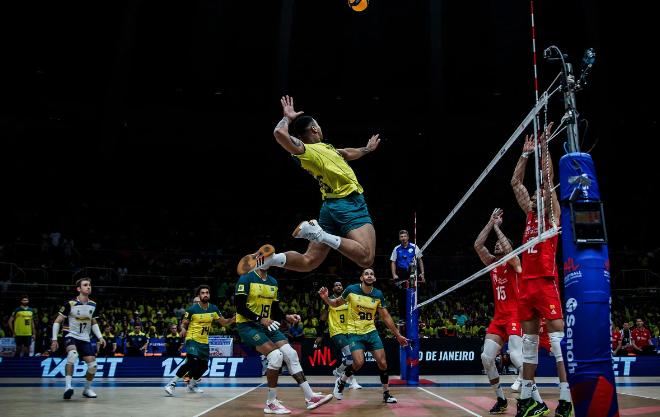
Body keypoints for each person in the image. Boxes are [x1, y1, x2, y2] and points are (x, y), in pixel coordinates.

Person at [237, 95, 380, 276]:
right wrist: (288, 118)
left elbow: (347, 153)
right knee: (366, 258)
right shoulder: (307, 151)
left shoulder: (327, 148)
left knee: (308, 262)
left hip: (330, 206)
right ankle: (319, 234)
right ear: (314, 128)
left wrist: (367, 149)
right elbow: (279, 134)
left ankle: (270, 260)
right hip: (348, 203)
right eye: (318, 125)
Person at [511, 123, 572, 417]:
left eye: (539, 195)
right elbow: (515, 183)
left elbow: (548, 181)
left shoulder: (552, 217)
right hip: (526, 286)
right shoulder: (530, 217)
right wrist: (525, 154)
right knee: (529, 345)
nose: (534, 197)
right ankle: (526, 400)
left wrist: (545, 147)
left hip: (546, 282)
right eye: (533, 196)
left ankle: (566, 398)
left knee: (559, 343)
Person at [234, 269, 333, 414]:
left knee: (291, 354)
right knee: (275, 356)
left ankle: (310, 397)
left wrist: (287, 316)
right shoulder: (246, 279)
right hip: (248, 325)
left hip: (268, 324)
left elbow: (274, 308)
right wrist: (261, 319)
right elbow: (240, 307)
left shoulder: (273, 282)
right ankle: (271, 403)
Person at [319, 268, 409, 404]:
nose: (369, 275)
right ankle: (341, 381)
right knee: (358, 363)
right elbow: (336, 303)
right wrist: (326, 298)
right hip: (354, 332)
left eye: (371, 274)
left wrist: (398, 335)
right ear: (362, 278)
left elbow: (386, 317)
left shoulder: (378, 294)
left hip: (371, 332)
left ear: (374, 278)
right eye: (366, 274)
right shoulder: (351, 290)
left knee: (383, 363)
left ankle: (386, 394)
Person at [473, 208, 523, 414]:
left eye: (499, 243)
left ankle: (533, 398)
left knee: (516, 357)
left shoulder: (514, 262)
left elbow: (509, 250)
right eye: (496, 244)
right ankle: (501, 399)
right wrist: (490, 222)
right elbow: (478, 245)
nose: (496, 245)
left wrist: (497, 228)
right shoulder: (492, 263)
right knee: (486, 358)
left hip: (515, 314)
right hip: (499, 317)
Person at [164, 285, 235, 395]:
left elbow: (224, 322)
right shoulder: (192, 310)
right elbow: (183, 324)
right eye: (203, 293)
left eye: (207, 292)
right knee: (192, 360)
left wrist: (232, 319)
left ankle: (192, 385)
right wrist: (182, 329)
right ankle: (171, 384)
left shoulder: (214, 308)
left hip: (204, 341)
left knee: (204, 366)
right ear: (199, 295)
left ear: (209, 295)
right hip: (192, 339)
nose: (205, 294)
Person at [50, 278, 106, 400]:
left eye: (90, 285)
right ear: (79, 289)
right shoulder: (70, 303)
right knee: (72, 355)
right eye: (85, 285)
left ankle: (87, 389)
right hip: (71, 335)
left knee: (93, 365)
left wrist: (100, 337)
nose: (88, 287)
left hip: (85, 338)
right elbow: (57, 321)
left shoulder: (93, 304)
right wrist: (54, 339)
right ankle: (68, 387)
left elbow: (93, 321)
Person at [314, 281, 361, 390]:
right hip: (336, 332)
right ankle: (350, 379)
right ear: (333, 288)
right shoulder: (328, 301)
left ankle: (340, 372)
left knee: (352, 358)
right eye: (336, 285)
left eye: (340, 285)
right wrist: (320, 335)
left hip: (349, 331)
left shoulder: (348, 300)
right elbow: (322, 319)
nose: (339, 287)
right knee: (350, 356)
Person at [390, 229, 425, 320]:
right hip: (401, 273)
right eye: (401, 236)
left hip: (413, 272)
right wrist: (394, 274)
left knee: (415, 295)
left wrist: (422, 273)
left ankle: (417, 316)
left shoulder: (414, 246)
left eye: (405, 236)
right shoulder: (396, 249)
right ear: (399, 238)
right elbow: (393, 262)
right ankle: (402, 318)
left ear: (408, 237)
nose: (403, 238)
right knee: (401, 296)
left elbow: (420, 260)